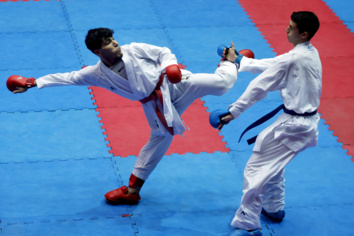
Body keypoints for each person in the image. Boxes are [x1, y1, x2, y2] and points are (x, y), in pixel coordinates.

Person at [7, 28, 252, 205]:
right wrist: (33, 82)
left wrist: (170, 66)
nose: (115, 44)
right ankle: (132, 191)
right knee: (158, 140)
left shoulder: (134, 49)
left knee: (223, 84)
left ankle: (232, 60)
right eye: (108, 43)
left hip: (173, 84)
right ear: (97, 51)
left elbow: (163, 51)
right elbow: (68, 77)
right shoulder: (97, 74)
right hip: (155, 105)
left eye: (113, 39)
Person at [216, 11, 321, 236]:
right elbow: (273, 64)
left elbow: (258, 86)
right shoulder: (309, 53)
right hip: (302, 123)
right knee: (272, 160)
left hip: (294, 126)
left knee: (255, 169)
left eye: (291, 27)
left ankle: (248, 225)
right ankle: (273, 208)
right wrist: (239, 60)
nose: (286, 29)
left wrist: (233, 111)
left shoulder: (293, 58)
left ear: (303, 34)